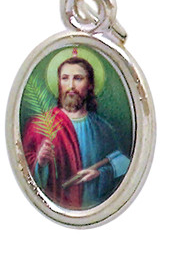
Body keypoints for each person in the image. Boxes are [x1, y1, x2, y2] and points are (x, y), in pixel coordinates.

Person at [22, 55, 130, 209]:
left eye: (78, 79)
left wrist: (101, 173)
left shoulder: (102, 128)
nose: (71, 86)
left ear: (90, 85)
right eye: (65, 78)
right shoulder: (38, 126)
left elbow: (124, 162)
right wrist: (40, 162)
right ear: (59, 83)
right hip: (56, 205)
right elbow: (24, 169)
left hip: (95, 204)